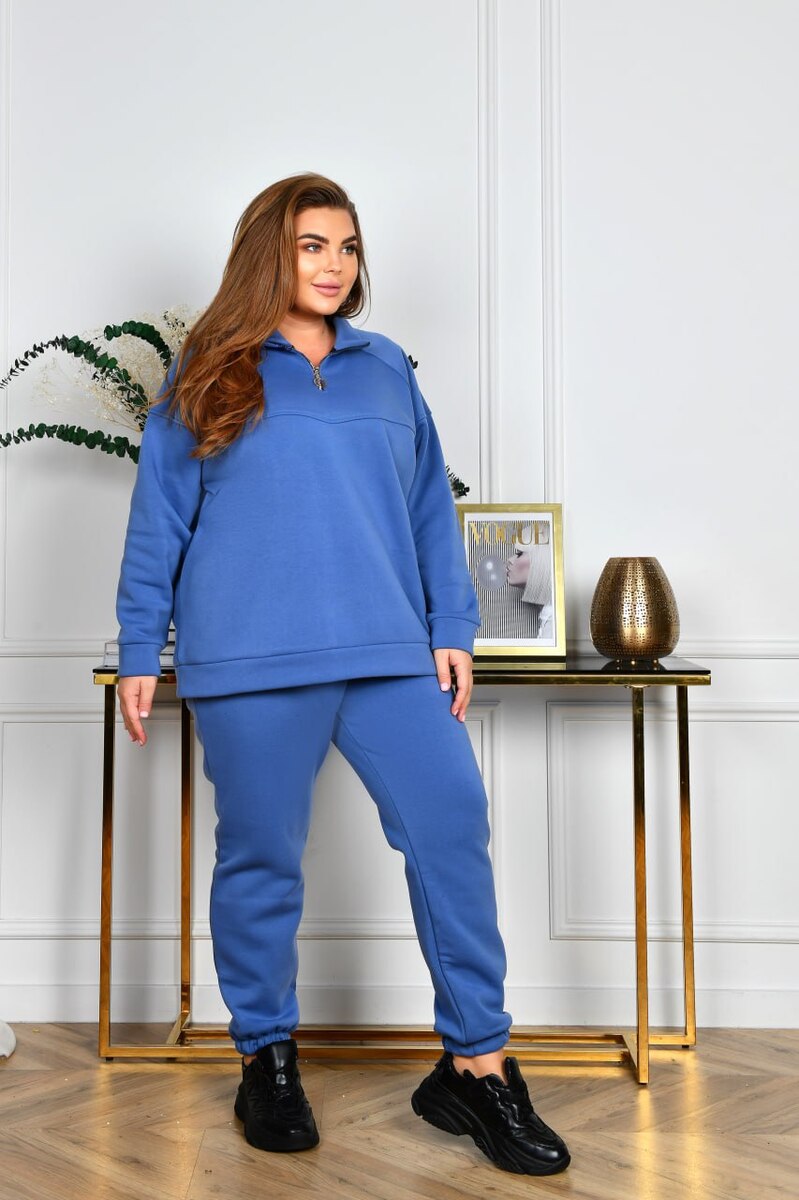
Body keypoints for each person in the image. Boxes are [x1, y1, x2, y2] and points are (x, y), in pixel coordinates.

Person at [114, 172, 570, 1177]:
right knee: (261, 859)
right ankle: (266, 1060)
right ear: (269, 254)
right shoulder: (209, 369)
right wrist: (140, 645)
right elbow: (159, 519)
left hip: (386, 649)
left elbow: (426, 508)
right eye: (312, 245)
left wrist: (453, 623)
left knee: (450, 826)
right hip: (248, 657)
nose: (333, 265)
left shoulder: (385, 369)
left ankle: (477, 1067)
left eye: (348, 246)